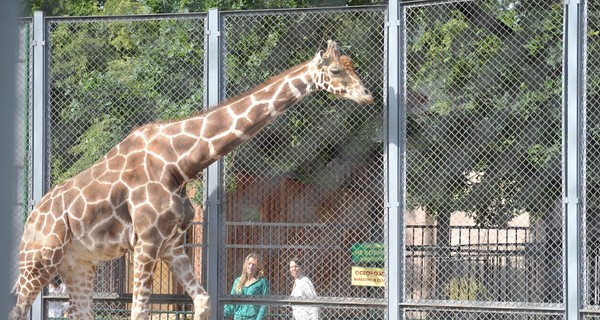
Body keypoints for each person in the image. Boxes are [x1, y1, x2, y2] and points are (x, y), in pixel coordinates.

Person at [224, 253, 269, 320]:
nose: (250, 266)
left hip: (253, 318)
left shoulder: (262, 282)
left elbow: (264, 304)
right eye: (249, 263)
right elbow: (231, 301)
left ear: (258, 268)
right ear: (245, 265)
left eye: (254, 265)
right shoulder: (238, 281)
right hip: (238, 317)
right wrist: (223, 315)